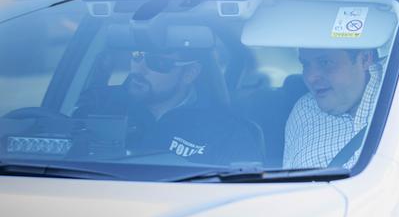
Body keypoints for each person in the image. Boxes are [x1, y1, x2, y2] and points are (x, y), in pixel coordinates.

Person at [74, 48, 263, 165]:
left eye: (157, 62)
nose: (138, 69)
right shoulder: (98, 104)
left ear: (189, 72)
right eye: (137, 55)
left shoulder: (227, 133)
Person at [283, 48, 382, 169]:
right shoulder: (304, 109)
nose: (310, 77)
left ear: (364, 59)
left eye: (325, 62)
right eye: (305, 64)